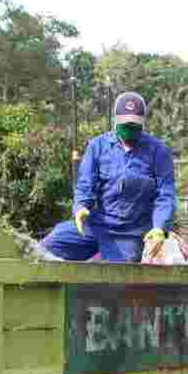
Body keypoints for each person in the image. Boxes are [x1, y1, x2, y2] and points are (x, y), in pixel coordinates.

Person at [42, 91, 176, 263]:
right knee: (51, 244)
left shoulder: (159, 152)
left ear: (143, 123)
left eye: (134, 125)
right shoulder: (97, 146)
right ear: (115, 120)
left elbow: (165, 195)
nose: (129, 128)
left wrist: (159, 227)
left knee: (118, 276)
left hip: (130, 234)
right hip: (96, 226)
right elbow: (85, 185)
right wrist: (81, 207)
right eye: (125, 124)